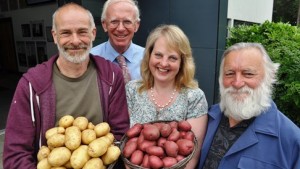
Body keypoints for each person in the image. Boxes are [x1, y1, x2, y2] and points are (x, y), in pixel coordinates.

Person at [3, 3, 129, 168]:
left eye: (82, 32)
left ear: (93, 33)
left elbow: (120, 134)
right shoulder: (31, 85)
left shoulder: (112, 75)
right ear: (55, 36)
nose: (75, 41)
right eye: (66, 33)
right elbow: (15, 155)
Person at [198, 42, 300, 169]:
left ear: (269, 77)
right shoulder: (205, 118)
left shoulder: (291, 140)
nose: (237, 83)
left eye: (248, 74)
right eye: (229, 73)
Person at [126, 24, 208, 168]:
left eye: (172, 58)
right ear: (149, 55)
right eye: (158, 55)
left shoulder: (194, 97)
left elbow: (192, 157)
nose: (164, 63)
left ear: (182, 62)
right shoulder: (132, 90)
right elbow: (126, 145)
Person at [91, 0, 144, 82]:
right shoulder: (90, 59)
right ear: (104, 25)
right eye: (114, 22)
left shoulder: (148, 59)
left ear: (136, 25)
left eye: (127, 22)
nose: (120, 28)